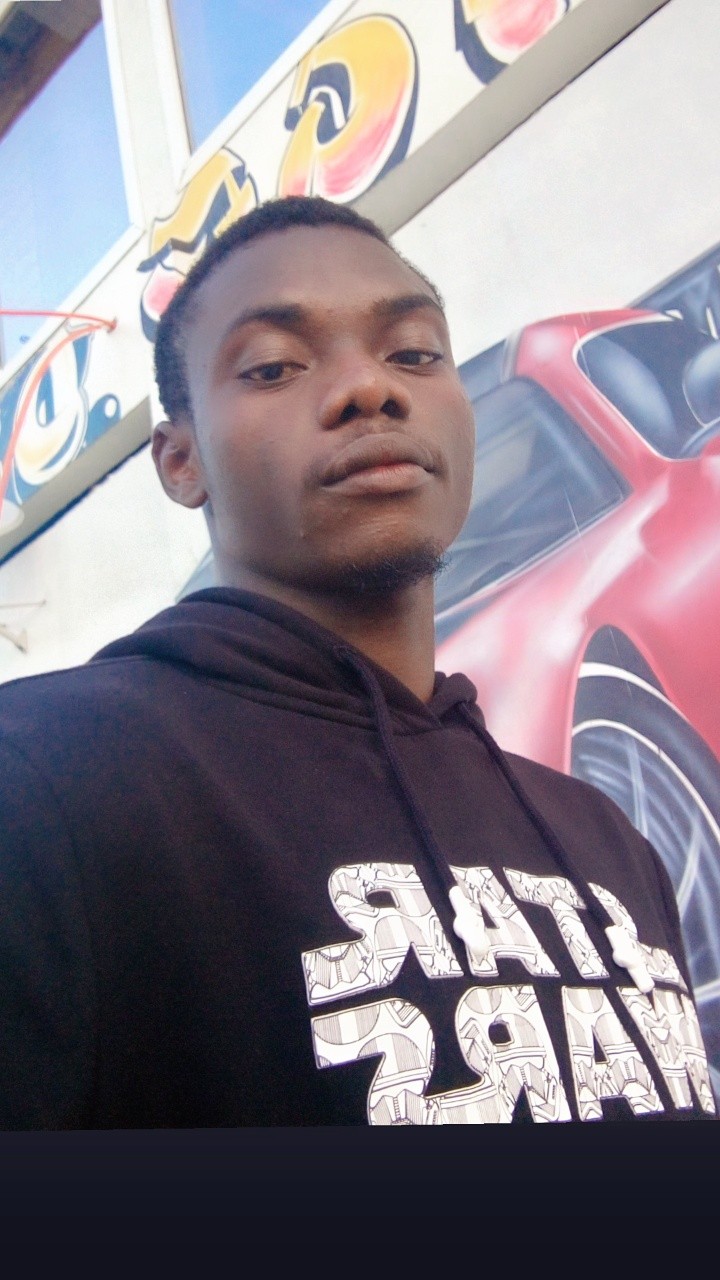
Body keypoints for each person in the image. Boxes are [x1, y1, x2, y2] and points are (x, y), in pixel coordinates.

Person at [0, 196, 715, 1127]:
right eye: (273, 366)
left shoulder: (609, 840)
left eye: (413, 353)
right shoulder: (47, 780)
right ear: (180, 461)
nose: (369, 389)